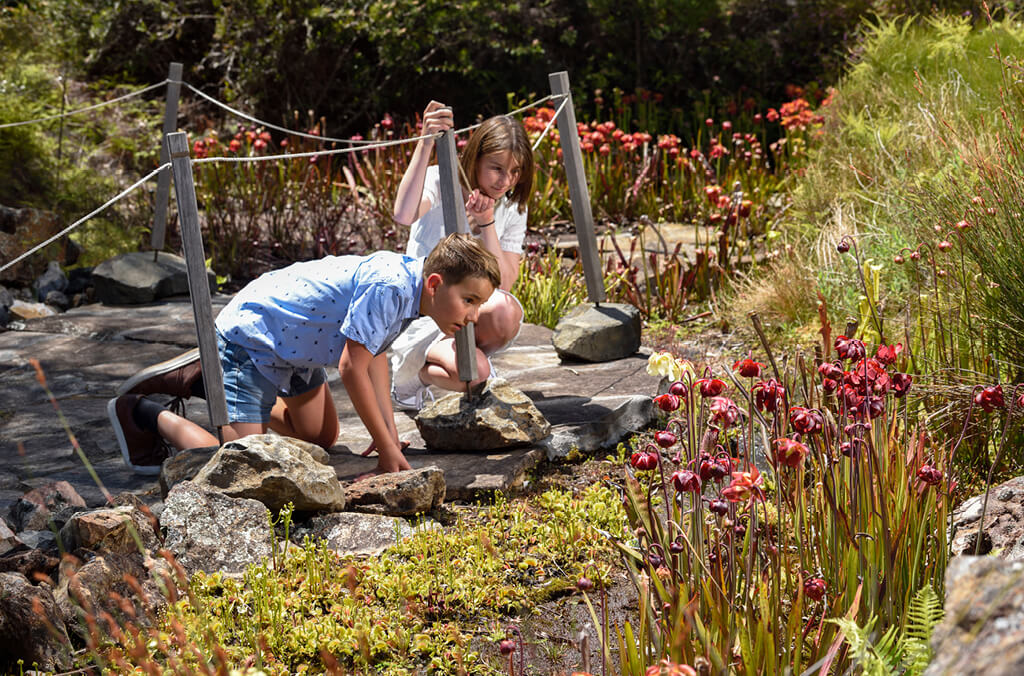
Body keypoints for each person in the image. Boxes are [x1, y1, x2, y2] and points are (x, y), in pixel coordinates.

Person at [108, 233, 501, 476]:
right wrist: (384, 449)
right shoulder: (391, 287)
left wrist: (389, 434)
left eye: (479, 305)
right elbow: (352, 369)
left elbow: (375, 355)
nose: (473, 316)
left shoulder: (413, 290)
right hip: (255, 337)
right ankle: (144, 412)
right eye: (469, 300)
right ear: (435, 284)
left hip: (300, 348)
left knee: (320, 437)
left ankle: (214, 388)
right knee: (244, 467)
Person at [389, 101, 534, 410]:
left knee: (505, 311)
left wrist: (487, 223)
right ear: (475, 157)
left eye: (515, 171)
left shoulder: (512, 206)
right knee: (477, 375)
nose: (505, 180)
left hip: (466, 315)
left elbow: (502, 285)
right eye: (496, 168)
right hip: (426, 312)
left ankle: (425, 373)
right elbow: (403, 214)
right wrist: (425, 142)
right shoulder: (441, 178)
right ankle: (409, 377)